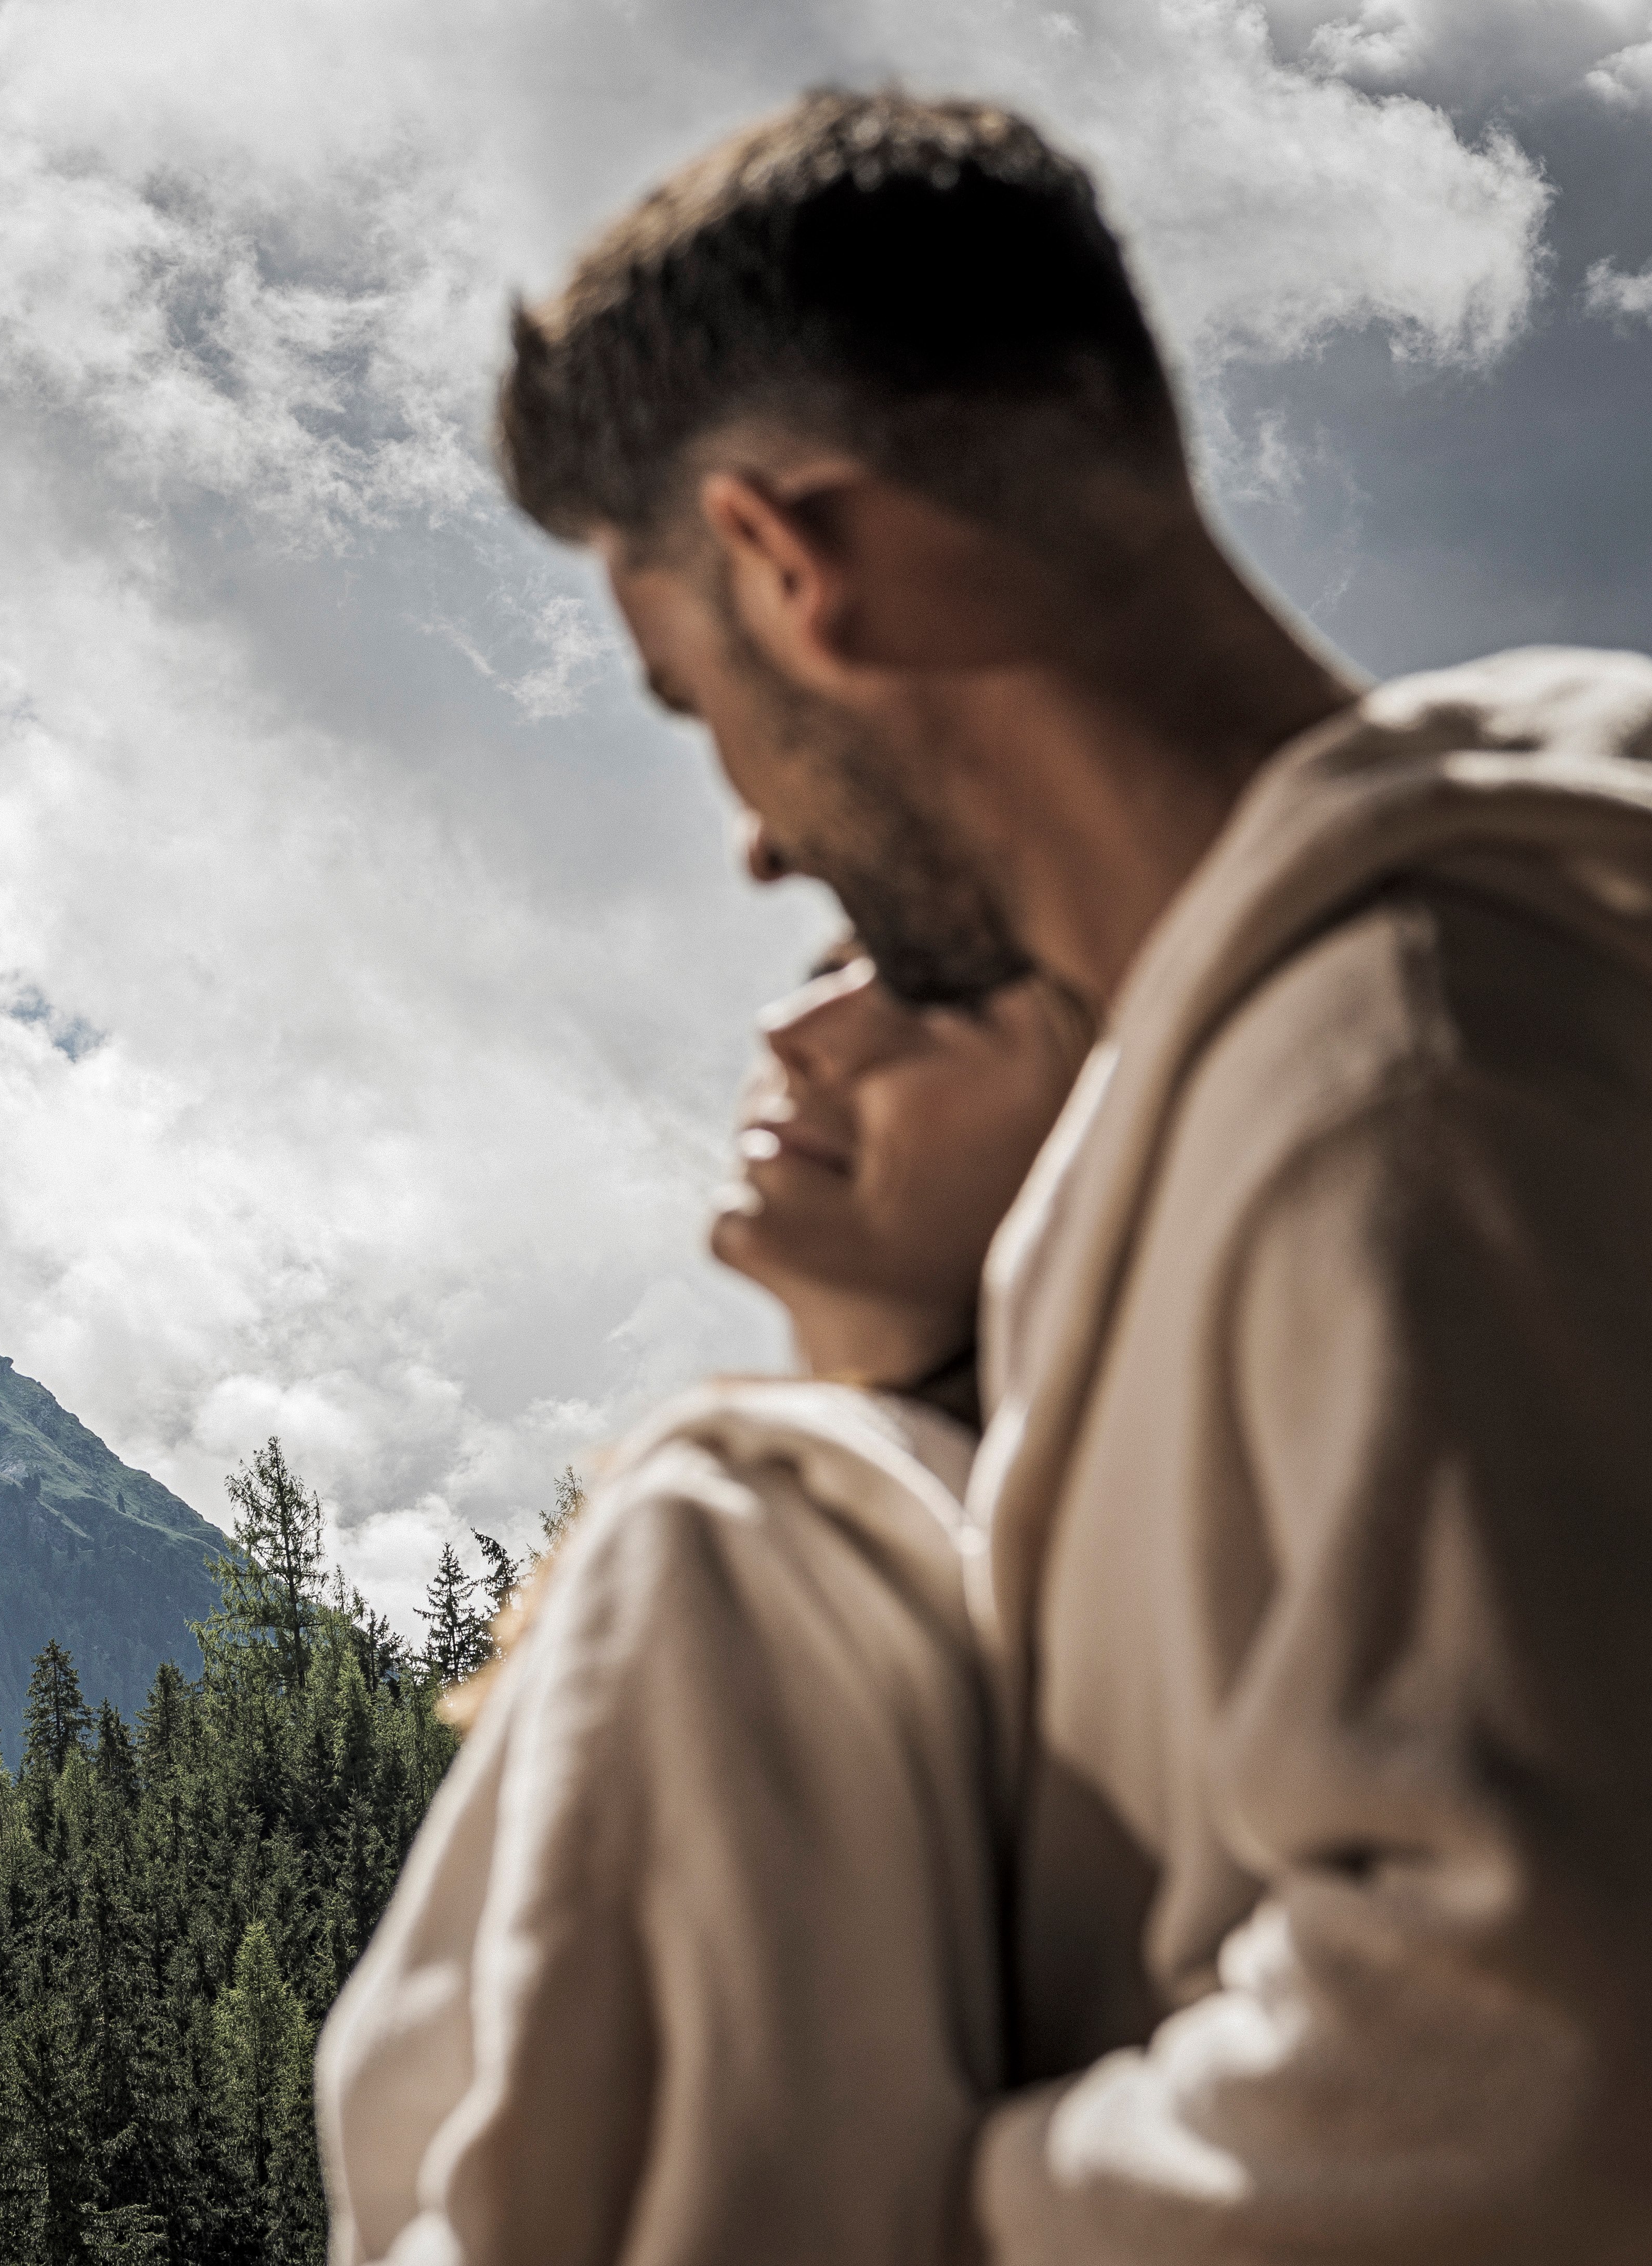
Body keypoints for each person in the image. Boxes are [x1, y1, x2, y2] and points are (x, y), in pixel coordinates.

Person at [489, 86, 1652, 2257]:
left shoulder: (1411, 1074)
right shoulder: (1399, 1028)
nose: (756, 838)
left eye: (700, 708)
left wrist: (918, 2206)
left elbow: (1563, 2074)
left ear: (792, 565)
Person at [318, 947, 1086, 2265]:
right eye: (820, 966)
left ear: (1103, 1147)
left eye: (932, 994)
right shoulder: (1021, 1583)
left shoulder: (741, 1532)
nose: (794, 1030)